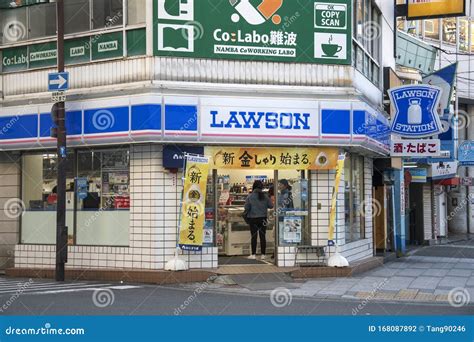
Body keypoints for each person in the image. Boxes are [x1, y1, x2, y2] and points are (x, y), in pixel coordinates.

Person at [244, 180, 274, 260]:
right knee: (262, 236)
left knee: (254, 237)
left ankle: (253, 254)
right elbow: (271, 206)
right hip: (263, 218)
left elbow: (246, 208)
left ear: (254, 186)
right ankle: (263, 255)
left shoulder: (250, 196)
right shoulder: (265, 196)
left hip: (253, 219)